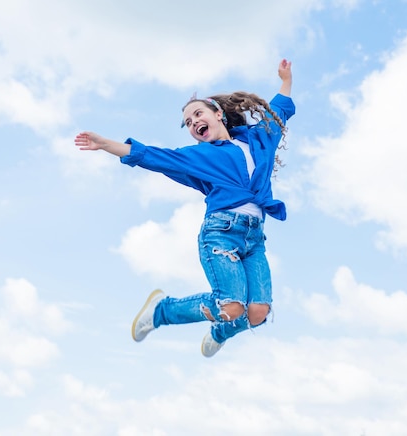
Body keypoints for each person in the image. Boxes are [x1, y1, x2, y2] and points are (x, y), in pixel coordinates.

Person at [74, 59, 295, 357]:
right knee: (229, 305)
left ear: (218, 114)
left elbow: (279, 111)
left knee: (257, 312)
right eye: (188, 123)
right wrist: (105, 144)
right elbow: (155, 157)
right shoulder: (202, 156)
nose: (193, 124)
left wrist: (285, 81)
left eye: (197, 115)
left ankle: (220, 331)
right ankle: (161, 311)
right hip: (222, 234)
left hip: (254, 239)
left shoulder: (259, 139)